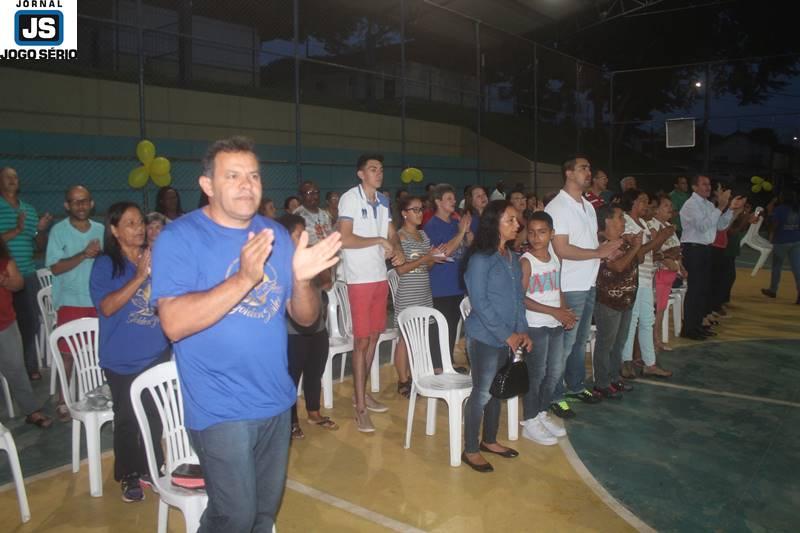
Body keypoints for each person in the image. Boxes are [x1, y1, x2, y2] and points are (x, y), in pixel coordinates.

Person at [151, 136, 341, 532]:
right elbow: (173, 322)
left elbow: (305, 319)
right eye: (232, 176)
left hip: (275, 399)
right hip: (220, 407)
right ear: (208, 185)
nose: (246, 185)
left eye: (253, 176)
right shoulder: (180, 238)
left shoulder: (273, 234)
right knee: (233, 516)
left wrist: (303, 281)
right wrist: (243, 278)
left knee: (261, 514)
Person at [89, 202, 170, 502]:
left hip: (156, 351)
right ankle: (129, 473)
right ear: (114, 230)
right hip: (122, 357)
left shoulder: (155, 258)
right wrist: (139, 276)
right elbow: (107, 307)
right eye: (131, 223)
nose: (139, 229)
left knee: (154, 414)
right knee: (126, 418)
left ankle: (152, 466)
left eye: (140, 222)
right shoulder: (106, 264)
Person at [544, 156, 622, 419]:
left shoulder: (588, 206)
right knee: (564, 345)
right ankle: (554, 394)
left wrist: (605, 252)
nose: (588, 172)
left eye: (589, 167)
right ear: (568, 173)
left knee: (578, 342)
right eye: (583, 168)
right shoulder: (558, 206)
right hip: (569, 285)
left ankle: (575, 386)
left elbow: (588, 243)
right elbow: (562, 249)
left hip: (588, 281)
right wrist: (597, 253)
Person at [462, 200, 531, 472]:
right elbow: (479, 302)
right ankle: (470, 449)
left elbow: (518, 299)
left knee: (496, 392)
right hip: (485, 337)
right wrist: (507, 335)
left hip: (508, 337)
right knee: (481, 393)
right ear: (495, 224)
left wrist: (522, 330)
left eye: (517, 220)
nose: (518, 224)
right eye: (511, 220)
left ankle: (489, 440)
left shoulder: (511, 257)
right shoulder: (481, 259)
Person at [337, 154, 404, 433]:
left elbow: (391, 232)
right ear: (360, 174)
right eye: (373, 169)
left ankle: (361, 394)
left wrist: (396, 247)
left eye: (381, 168)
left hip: (378, 276)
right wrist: (378, 240)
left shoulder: (384, 201)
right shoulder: (350, 199)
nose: (379, 173)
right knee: (361, 342)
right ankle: (360, 408)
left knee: (375, 337)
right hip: (358, 278)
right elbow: (345, 238)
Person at [46, 185, 105, 421]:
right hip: (71, 301)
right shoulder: (58, 231)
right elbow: (55, 267)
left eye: (84, 201)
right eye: (75, 201)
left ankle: (102, 394)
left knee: (100, 351)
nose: (80, 205)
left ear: (91, 203)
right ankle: (63, 400)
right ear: (67, 206)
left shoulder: (101, 229)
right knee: (67, 354)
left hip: (98, 299)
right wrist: (84, 254)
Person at [278, 214, 338, 440]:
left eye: (305, 232)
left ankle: (314, 412)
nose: (304, 237)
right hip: (292, 332)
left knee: (315, 371)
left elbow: (327, 282)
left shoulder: (308, 258)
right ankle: (291, 420)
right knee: (291, 377)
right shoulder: (279, 263)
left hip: (317, 326)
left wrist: (322, 268)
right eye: (298, 233)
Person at [519, 212, 575, 446]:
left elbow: (558, 288)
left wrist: (564, 312)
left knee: (554, 372)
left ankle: (542, 412)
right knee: (537, 373)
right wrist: (553, 312)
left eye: (542, 232)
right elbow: (521, 298)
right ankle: (529, 421)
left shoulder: (555, 258)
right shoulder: (526, 262)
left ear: (552, 234)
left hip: (554, 324)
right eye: (531, 232)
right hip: (536, 325)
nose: (536, 237)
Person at [0, 166, 53, 380]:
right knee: (7, 325)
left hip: (28, 274)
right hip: (4, 277)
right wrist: (17, 231)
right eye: (8, 177)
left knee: (29, 321)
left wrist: (40, 229)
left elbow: (39, 245)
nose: (13, 180)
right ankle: (9, 371)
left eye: (16, 177)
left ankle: (29, 366)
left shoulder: (29, 210)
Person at [392, 196, 446, 395]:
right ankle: (403, 380)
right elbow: (400, 270)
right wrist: (426, 258)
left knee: (421, 334)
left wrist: (434, 258)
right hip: (408, 292)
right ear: (404, 213)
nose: (419, 213)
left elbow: (428, 265)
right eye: (414, 209)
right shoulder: (399, 237)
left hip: (424, 291)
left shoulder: (423, 236)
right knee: (405, 338)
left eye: (421, 208)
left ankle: (418, 373)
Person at [679, 177, 744, 340]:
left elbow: (720, 225)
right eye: (704, 184)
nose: (708, 187)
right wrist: (721, 206)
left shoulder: (708, 205)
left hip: (706, 248)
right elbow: (702, 226)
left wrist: (729, 210)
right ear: (694, 187)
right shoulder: (690, 205)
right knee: (695, 290)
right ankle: (689, 329)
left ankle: (698, 325)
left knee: (703, 289)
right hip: (694, 249)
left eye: (709, 184)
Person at [619, 190, 674, 378]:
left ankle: (649, 362)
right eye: (642, 201)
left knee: (647, 321)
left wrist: (660, 241)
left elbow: (649, 252)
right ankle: (625, 361)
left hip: (645, 277)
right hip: (634, 278)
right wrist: (660, 238)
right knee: (632, 321)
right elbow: (637, 255)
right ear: (633, 203)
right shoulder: (626, 223)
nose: (646, 205)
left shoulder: (642, 223)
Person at [0, 238, 53, 429]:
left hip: (5, 324)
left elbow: (19, 284)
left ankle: (31, 411)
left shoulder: (5, 261)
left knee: (16, 368)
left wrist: (5, 280)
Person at [592, 205, 642, 399]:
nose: (624, 221)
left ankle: (614, 378)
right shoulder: (603, 243)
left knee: (619, 343)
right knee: (606, 343)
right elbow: (618, 266)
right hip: (609, 302)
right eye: (620, 217)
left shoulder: (622, 242)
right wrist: (635, 246)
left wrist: (635, 244)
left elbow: (640, 259)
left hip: (626, 300)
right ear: (607, 221)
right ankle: (601, 383)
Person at [423, 184, 473, 372]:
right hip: (441, 286)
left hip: (457, 285)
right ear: (438, 202)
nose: (454, 202)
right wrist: (460, 233)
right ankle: (437, 367)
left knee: (453, 327)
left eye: (454, 198)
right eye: (449, 199)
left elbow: (470, 246)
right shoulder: (432, 226)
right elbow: (442, 253)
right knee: (440, 328)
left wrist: (466, 231)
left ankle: (448, 364)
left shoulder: (455, 223)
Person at [649, 195, 685, 352]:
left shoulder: (670, 226)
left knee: (662, 308)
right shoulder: (653, 225)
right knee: (656, 308)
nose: (670, 208)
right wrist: (669, 260)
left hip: (670, 273)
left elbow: (676, 249)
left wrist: (681, 267)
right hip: (660, 272)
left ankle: (656, 339)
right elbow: (656, 250)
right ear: (656, 209)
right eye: (665, 205)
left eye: (670, 205)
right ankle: (653, 340)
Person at [762, 191, 800, 304]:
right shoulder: (797, 208)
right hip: (796, 241)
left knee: (777, 267)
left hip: (781, 241)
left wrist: (769, 213)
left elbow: (773, 226)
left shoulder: (780, 209)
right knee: (797, 269)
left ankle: (773, 289)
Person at [295, 181, 333, 246]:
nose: (314, 196)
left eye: (316, 192)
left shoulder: (325, 214)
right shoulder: (297, 216)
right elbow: (295, 243)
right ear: (300, 196)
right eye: (309, 193)